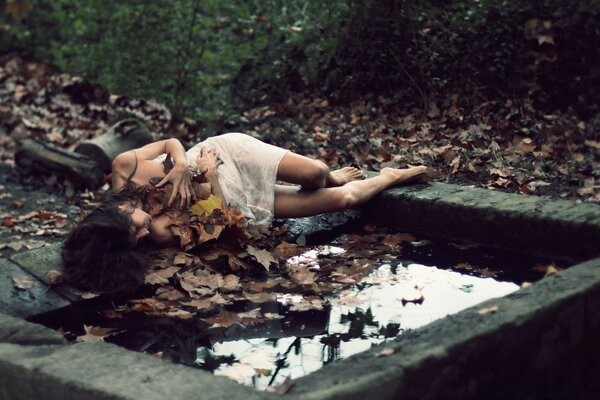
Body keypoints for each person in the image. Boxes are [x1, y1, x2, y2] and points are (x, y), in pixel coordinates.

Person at [62, 132, 429, 293]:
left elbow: (171, 142)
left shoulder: (125, 166)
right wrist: (204, 177)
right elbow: (219, 220)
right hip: (238, 201)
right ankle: (389, 175)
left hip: (227, 154)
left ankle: (329, 175)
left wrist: (178, 164)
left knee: (317, 175)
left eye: (135, 230)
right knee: (345, 200)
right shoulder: (156, 231)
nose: (143, 238)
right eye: (138, 241)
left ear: (119, 214)